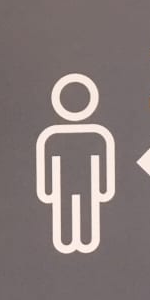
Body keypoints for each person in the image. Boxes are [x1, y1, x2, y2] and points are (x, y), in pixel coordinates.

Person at [36, 74, 116, 254]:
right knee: (66, 218)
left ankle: (82, 241)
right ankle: (70, 241)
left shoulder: (95, 135)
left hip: (85, 186)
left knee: (86, 216)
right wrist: (48, 191)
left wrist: (103, 190)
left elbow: (102, 165)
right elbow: (48, 167)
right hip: (65, 186)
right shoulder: (55, 136)